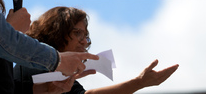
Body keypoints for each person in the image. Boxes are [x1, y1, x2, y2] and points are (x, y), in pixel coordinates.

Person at [14, 7, 179, 94]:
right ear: (56, 32)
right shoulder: (33, 65)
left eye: (85, 35)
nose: (84, 41)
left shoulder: (64, 80)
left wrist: (139, 82)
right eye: (77, 33)